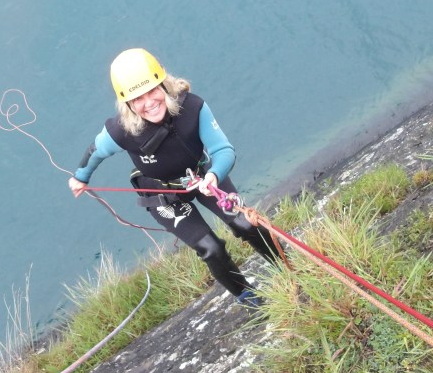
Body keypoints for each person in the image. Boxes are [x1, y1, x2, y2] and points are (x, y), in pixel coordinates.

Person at [68, 48, 281, 307]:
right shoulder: (121, 131)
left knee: (246, 224)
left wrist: (213, 176)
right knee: (210, 249)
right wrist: (81, 177)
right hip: (163, 196)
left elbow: (223, 150)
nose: (148, 103)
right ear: (127, 104)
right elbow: (95, 151)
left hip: (205, 177)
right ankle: (248, 298)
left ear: (163, 84)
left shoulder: (192, 108)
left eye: (152, 91)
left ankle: (287, 266)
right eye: (137, 99)